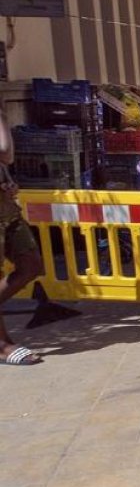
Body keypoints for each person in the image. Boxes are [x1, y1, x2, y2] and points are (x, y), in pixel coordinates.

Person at [0, 111, 45, 365]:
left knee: (31, 265)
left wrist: (8, 181)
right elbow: (5, 151)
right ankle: (2, 345)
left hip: (5, 203)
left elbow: (4, 160)